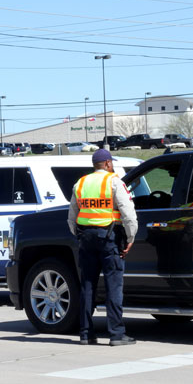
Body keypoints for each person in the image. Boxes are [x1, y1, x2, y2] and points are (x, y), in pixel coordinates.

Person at [67, 148, 138, 346]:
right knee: (113, 285)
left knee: (87, 285)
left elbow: (72, 216)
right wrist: (131, 236)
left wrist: (79, 235)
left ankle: (86, 333)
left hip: (86, 238)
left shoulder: (81, 183)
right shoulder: (114, 181)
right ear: (107, 163)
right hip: (109, 238)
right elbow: (128, 212)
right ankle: (116, 334)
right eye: (111, 162)